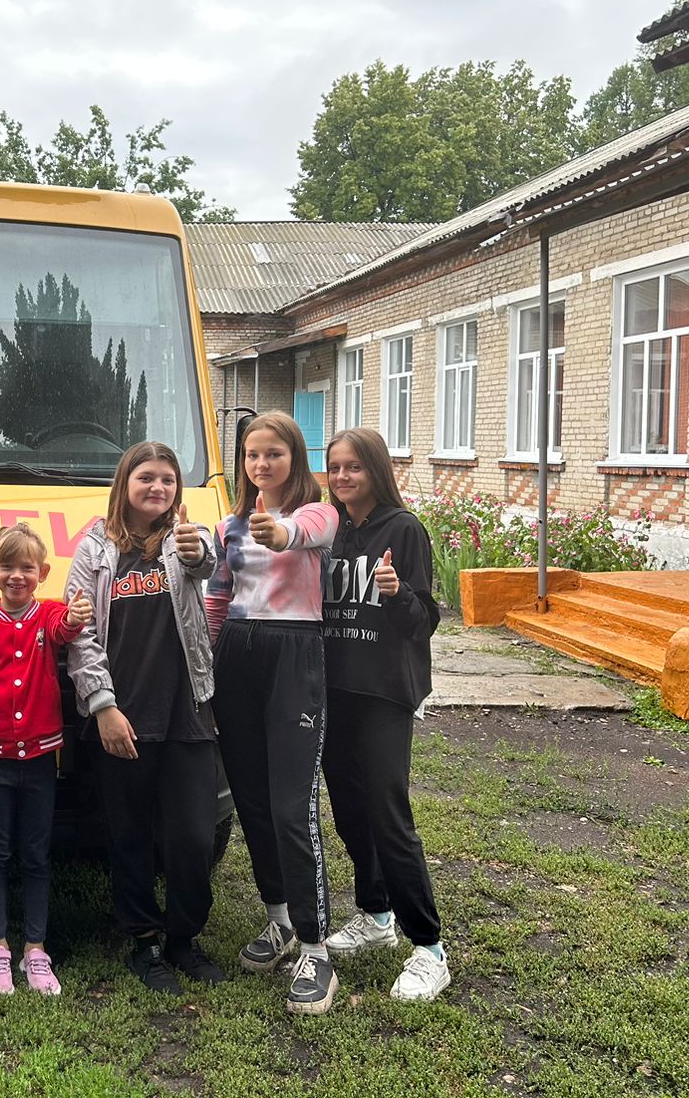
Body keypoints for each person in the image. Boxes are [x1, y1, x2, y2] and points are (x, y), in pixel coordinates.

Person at [65, 442, 223, 995]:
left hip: (187, 710)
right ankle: (145, 943)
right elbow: (80, 634)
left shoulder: (186, 538)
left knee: (193, 837)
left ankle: (184, 937)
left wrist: (194, 548)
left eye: (168, 480)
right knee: (129, 835)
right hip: (122, 715)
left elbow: (206, 561)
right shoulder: (93, 548)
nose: (158, 487)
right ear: (125, 483)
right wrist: (103, 707)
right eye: (146, 477)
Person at [205, 411, 341, 1016]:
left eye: (274, 454)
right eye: (252, 455)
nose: (261, 464)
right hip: (236, 653)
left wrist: (278, 532)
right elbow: (217, 595)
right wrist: (210, 667)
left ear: (295, 458)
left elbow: (299, 534)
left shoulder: (319, 514)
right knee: (253, 801)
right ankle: (280, 919)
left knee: (292, 806)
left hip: (294, 653)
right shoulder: (228, 525)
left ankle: (316, 948)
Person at [320, 427, 450, 1001]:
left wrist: (397, 593)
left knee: (387, 813)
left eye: (354, 467)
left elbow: (424, 622)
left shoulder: (403, 529)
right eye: (335, 467)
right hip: (334, 691)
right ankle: (375, 916)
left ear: (375, 470)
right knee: (349, 810)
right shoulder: (330, 529)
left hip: (384, 694)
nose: (343, 477)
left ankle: (429, 947)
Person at [0, 523, 94, 997]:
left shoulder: (47, 614)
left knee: (35, 854)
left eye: (27, 568)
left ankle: (36, 948)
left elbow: (64, 627)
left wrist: (76, 614)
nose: (17, 576)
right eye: (7, 567)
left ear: (43, 573)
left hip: (38, 760)